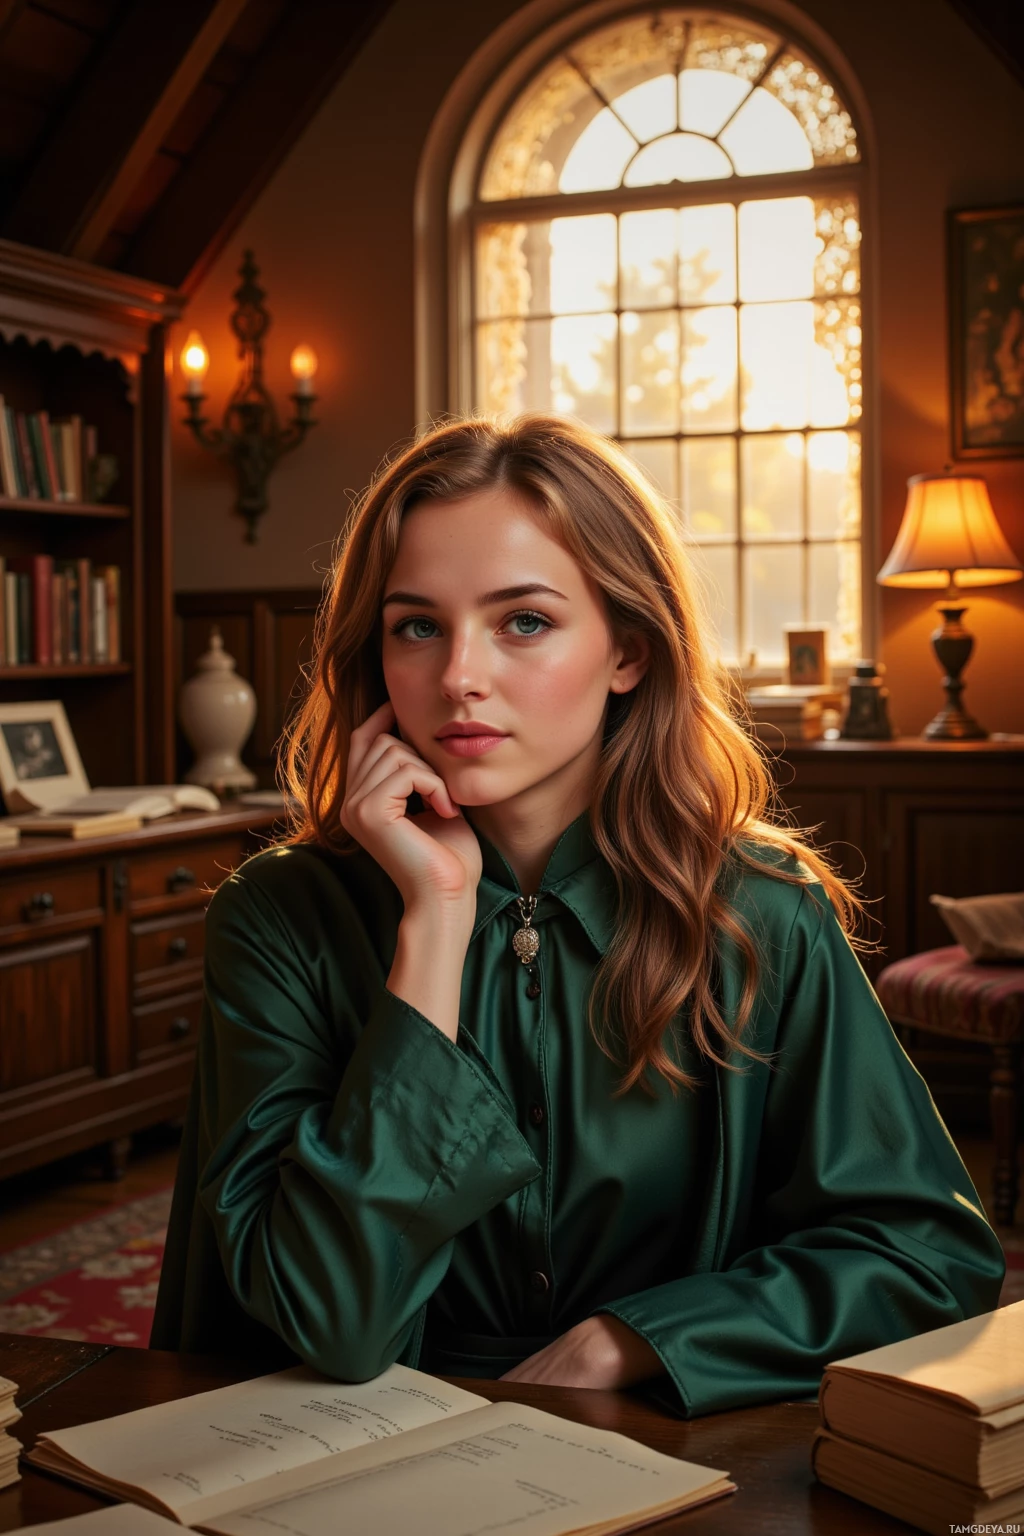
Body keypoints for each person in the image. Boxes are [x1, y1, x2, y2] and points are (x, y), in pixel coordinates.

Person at [152, 414, 1005, 1417]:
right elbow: (331, 1321)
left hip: (680, 1439)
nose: (459, 675)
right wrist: (432, 923)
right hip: (348, 1450)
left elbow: (924, 1251)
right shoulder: (280, 917)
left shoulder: (763, 916)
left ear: (628, 652)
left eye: (523, 622)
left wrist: (633, 1341)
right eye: (417, 625)